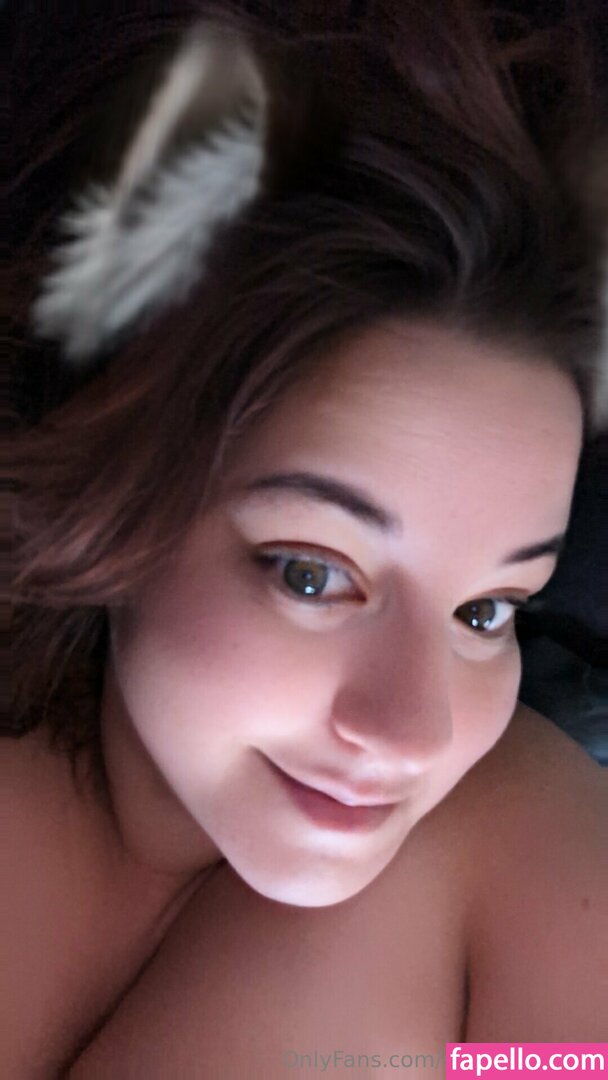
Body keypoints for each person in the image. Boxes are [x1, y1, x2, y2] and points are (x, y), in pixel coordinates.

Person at [7, 1, 607, 1074]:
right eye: (312, 575)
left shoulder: (534, 872)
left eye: (486, 612)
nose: (411, 732)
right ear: (121, 487)